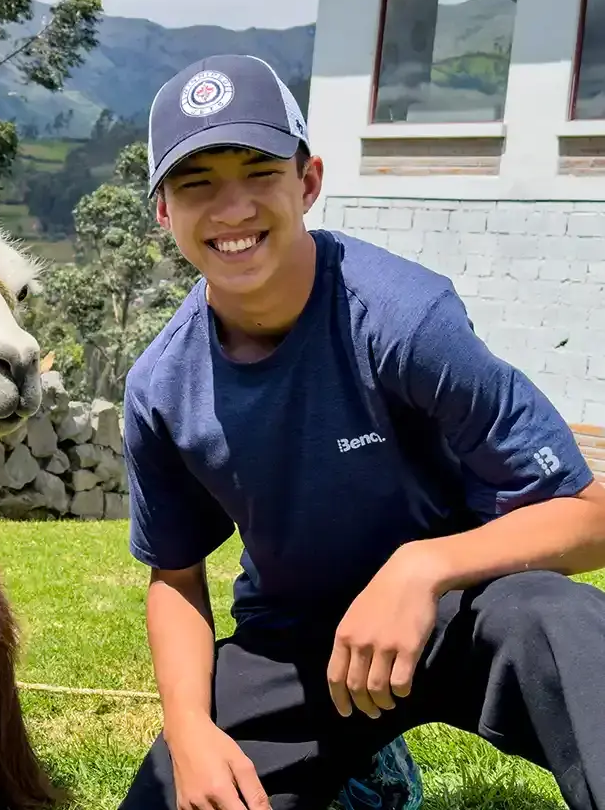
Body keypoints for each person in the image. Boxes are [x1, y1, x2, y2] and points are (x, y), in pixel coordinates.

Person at [120, 52, 605, 810]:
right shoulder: (160, 388)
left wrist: (421, 568)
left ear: (307, 181)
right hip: (295, 643)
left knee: (559, 621)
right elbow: (174, 577)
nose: (232, 208)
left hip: (462, 612)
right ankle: (362, 774)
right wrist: (188, 729)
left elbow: (589, 516)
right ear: (163, 212)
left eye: (258, 171)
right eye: (196, 184)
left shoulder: (403, 320)